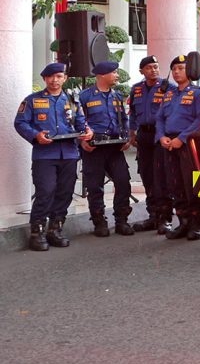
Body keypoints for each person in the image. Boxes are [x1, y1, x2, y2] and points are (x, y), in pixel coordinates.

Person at [14, 63, 93, 251]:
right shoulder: (32, 101)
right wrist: (35, 135)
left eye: (59, 76)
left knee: (65, 192)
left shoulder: (73, 101)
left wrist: (87, 132)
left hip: (69, 153)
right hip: (45, 155)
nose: (54, 80)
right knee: (46, 192)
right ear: (44, 79)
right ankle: (37, 232)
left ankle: (55, 229)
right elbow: (20, 123)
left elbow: (81, 123)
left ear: (64, 78)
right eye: (50, 77)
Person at [156, 55, 200, 240]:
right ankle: (183, 222)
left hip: (190, 144)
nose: (177, 72)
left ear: (190, 71)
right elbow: (160, 118)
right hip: (169, 143)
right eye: (174, 69)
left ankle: (197, 224)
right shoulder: (169, 94)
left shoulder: (198, 94)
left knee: (192, 184)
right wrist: (161, 136)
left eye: (181, 68)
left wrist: (182, 138)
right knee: (175, 183)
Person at [79, 61, 133, 237]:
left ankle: (122, 220)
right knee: (94, 186)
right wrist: (81, 141)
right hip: (94, 149)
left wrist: (126, 137)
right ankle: (99, 221)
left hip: (114, 148)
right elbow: (77, 122)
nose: (117, 75)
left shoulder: (117, 96)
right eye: (114, 72)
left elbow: (124, 119)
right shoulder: (85, 96)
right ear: (101, 75)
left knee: (123, 181)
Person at [127, 55, 174, 233]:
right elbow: (132, 112)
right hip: (144, 136)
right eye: (149, 68)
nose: (153, 70)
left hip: (160, 135)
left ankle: (165, 218)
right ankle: (153, 216)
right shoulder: (137, 89)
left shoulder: (167, 87)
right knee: (147, 175)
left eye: (155, 67)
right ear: (142, 71)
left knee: (161, 177)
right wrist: (132, 132)